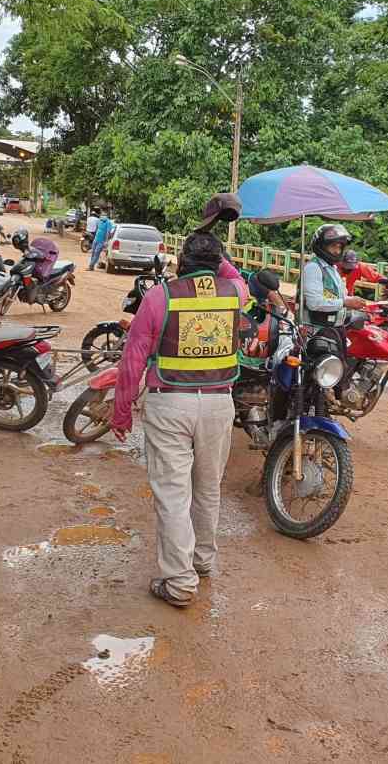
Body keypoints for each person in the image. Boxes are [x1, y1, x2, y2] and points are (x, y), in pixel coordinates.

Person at [112, 230, 247, 608]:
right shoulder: (235, 293)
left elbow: (133, 360)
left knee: (173, 494)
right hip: (218, 404)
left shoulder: (160, 297)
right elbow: (234, 274)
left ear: (181, 261)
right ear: (218, 263)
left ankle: (179, 582)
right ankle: (202, 561)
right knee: (208, 487)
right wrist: (217, 256)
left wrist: (121, 411)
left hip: (170, 404)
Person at [300, 224, 368, 327]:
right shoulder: (313, 268)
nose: (337, 251)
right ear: (321, 246)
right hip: (316, 329)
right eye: (333, 246)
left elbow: (338, 297)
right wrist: (345, 302)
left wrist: (353, 301)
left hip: (333, 326)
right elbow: (314, 303)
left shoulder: (332, 268)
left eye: (339, 247)